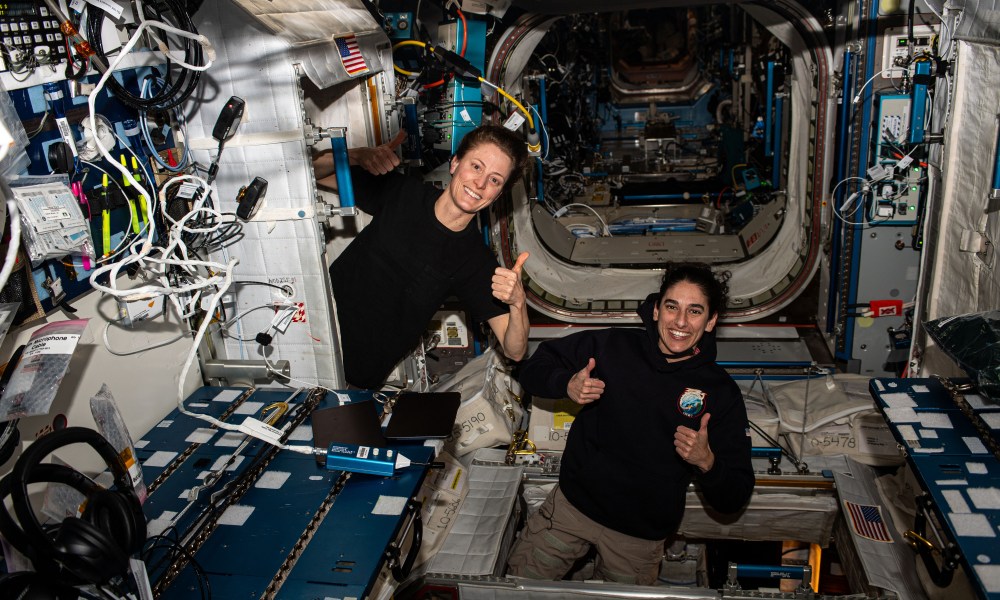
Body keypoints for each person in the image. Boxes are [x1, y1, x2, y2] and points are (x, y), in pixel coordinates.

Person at [506, 262, 755, 585]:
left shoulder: (720, 392)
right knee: (515, 588)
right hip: (572, 509)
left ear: (711, 322)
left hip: (638, 539)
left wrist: (707, 462)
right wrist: (565, 383)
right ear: (655, 311)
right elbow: (533, 366)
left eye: (695, 311)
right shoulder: (612, 348)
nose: (680, 321)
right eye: (671, 307)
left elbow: (735, 496)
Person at [314, 125, 532, 389]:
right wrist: (358, 155)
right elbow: (316, 172)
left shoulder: (474, 261)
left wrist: (518, 303)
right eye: (476, 167)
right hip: (315, 322)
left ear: (498, 194)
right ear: (455, 163)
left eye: (495, 180)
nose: (481, 183)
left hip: (349, 374)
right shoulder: (403, 193)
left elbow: (515, 350)